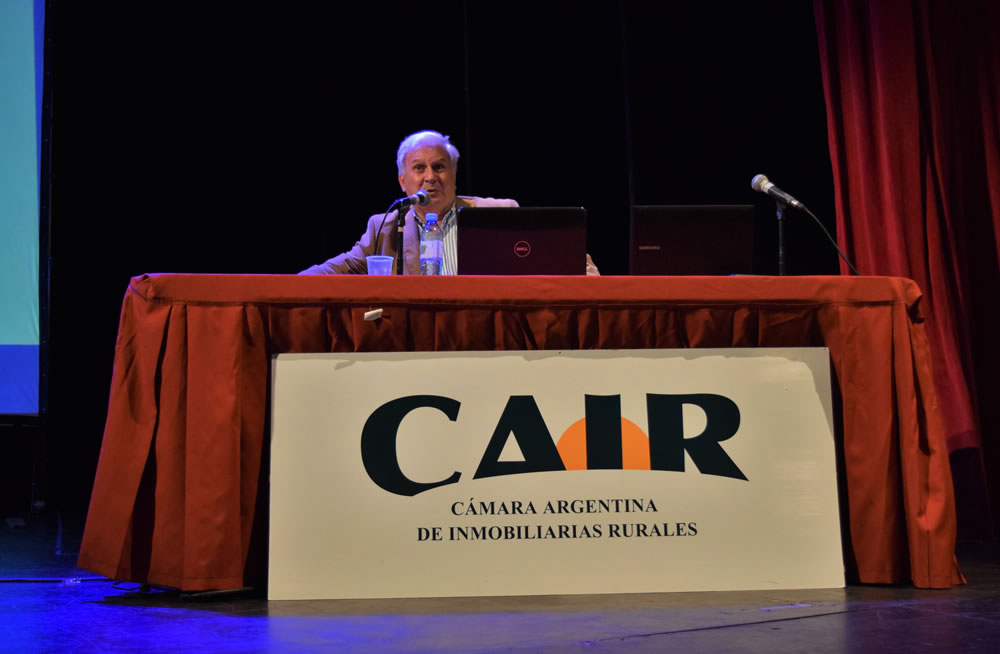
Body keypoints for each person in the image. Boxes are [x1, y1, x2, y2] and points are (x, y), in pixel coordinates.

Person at [300, 130, 599, 275]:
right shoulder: (386, 226)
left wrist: (586, 273)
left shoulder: (498, 213)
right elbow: (339, 268)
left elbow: (555, 254)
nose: (430, 177)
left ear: (454, 176)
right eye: (419, 168)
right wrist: (288, 283)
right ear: (403, 180)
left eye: (440, 167)